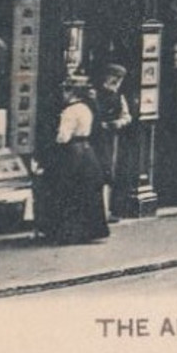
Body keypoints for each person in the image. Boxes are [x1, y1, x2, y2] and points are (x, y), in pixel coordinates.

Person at [41, 78, 110, 244]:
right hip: (88, 152)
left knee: (68, 189)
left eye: (66, 91)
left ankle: (68, 233)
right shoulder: (87, 108)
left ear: (70, 92)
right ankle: (90, 231)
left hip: (72, 153)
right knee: (87, 191)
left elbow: (63, 136)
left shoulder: (70, 111)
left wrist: (52, 145)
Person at [90, 64, 136, 222]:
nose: (117, 82)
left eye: (120, 79)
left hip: (111, 138)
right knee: (97, 172)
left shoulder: (119, 97)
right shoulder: (94, 94)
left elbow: (127, 116)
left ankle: (107, 210)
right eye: (114, 78)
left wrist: (119, 123)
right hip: (94, 139)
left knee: (109, 172)